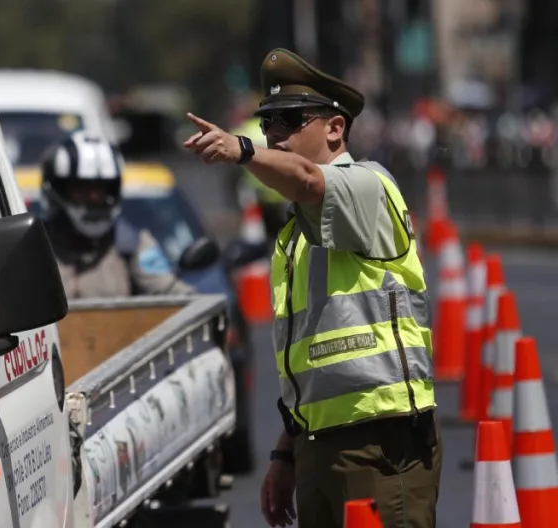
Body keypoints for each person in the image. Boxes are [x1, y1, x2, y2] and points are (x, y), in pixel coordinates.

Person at [183, 48, 440, 528]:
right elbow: (311, 363)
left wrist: (241, 149)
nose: (274, 135)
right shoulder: (295, 235)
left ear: (335, 128)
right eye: (268, 124)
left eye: (289, 120)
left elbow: (306, 180)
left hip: (380, 444)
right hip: (317, 445)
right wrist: (287, 453)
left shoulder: (367, 187)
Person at [39, 130, 194, 298]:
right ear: (59, 190)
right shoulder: (36, 247)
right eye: (82, 187)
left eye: (101, 188)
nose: (94, 197)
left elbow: (171, 292)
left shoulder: (132, 243)